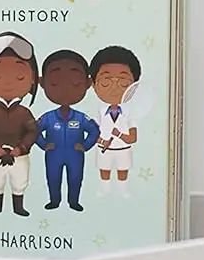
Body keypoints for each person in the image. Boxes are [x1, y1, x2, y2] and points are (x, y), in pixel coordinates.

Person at [0, 32, 40, 218]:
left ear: (32, 80)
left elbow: (32, 130)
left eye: (19, 76)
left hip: (19, 156)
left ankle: (18, 206)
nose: (8, 82)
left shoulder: (24, 113)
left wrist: (20, 149)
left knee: (19, 181)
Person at [36, 50, 101, 212]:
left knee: (75, 178)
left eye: (75, 83)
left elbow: (94, 131)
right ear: (43, 82)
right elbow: (35, 131)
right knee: (53, 178)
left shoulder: (80, 118)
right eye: (56, 83)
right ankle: (54, 201)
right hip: (54, 153)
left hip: (75, 154)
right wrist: (43, 144)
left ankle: (74, 202)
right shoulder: (49, 117)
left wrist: (85, 146)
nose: (65, 87)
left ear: (86, 83)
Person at [90, 45, 142, 185]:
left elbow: (132, 138)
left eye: (123, 82)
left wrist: (119, 134)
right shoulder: (98, 113)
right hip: (104, 150)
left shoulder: (131, 115)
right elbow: (92, 134)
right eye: (106, 81)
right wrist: (102, 142)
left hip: (123, 150)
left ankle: (123, 193)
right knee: (104, 175)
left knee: (123, 176)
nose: (114, 87)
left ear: (134, 86)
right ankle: (104, 192)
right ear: (93, 85)